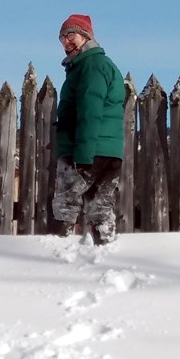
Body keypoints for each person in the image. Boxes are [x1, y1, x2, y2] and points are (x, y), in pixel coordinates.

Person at [53, 14, 125, 244]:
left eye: (70, 35)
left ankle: (59, 255)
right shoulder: (92, 65)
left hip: (86, 149)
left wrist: (83, 154)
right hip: (107, 150)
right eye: (62, 37)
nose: (66, 41)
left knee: (66, 205)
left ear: (85, 36)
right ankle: (104, 254)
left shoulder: (91, 65)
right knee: (100, 207)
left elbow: (90, 111)